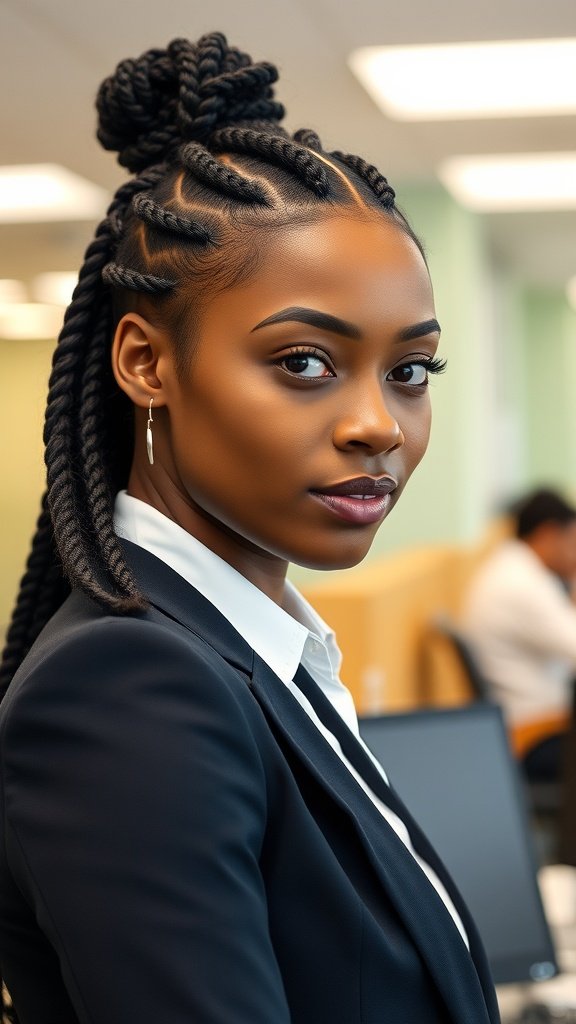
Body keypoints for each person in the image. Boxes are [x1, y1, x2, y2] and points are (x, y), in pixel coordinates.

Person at [0, 33, 499, 1024]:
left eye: (410, 371)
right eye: (306, 361)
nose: (378, 425)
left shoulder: (258, 655)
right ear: (146, 362)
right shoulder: (133, 689)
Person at [462, 488, 576, 781]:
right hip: (534, 735)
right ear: (549, 533)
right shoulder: (523, 583)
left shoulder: (514, 566)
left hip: (535, 722)